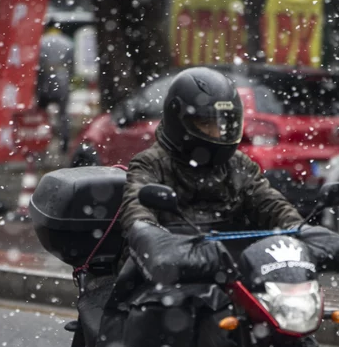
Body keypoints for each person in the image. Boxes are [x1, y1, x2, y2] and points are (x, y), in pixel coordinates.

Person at [119, 66, 302, 236]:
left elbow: (271, 204)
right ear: (179, 121)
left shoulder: (238, 164)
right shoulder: (149, 164)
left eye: (220, 123)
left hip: (231, 264)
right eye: (205, 123)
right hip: (163, 265)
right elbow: (137, 213)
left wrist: (302, 229)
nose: (215, 132)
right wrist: (147, 235)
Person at [37, 23, 74, 154]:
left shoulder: (41, 42)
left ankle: (40, 142)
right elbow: (72, 66)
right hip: (63, 81)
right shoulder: (68, 42)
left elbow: (38, 66)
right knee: (63, 115)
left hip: (45, 83)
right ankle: (64, 143)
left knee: (41, 115)